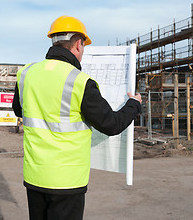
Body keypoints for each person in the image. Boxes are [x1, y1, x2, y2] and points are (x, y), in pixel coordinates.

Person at [12, 15, 142, 220]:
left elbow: (20, 111)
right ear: (78, 44)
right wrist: (134, 104)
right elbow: (112, 124)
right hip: (67, 182)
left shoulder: (27, 73)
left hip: (35, 177)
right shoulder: (80, 82)